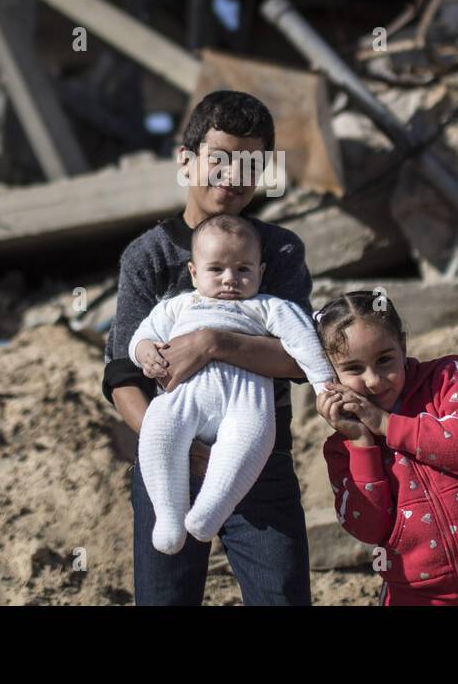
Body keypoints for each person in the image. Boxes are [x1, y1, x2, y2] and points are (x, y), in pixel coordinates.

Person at [103, 90, 313, 605]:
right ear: (186, 161)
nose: (231, 175)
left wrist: (213, 342)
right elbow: (120, 374)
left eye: (249, 163)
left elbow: (298, 359)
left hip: (260, 464)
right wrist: (173, 443)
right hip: (169, 465)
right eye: (218, 159)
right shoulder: (148, 256)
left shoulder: (277, 251)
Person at [130, 215, 334, 555]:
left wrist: (323, 384)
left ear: (260, 271)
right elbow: (142, 335)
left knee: (253, 437)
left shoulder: (267, 306)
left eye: (243, 269)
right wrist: (145, 351)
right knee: (158, 430)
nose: (230, 280)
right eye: (216, 270)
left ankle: (209, 513)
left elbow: (304, 342)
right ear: (194, 273)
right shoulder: (180, 305)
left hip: (245, 400)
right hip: (182, 397)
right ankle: (168, 515)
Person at [315, 291, 458, 606]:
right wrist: (362, 443)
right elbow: (368, 527)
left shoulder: (445, 380)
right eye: (354, 369)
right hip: (415, 593)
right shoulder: (343, 447)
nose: (373, 381)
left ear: (402, 345)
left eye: (384, 360)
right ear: (331, 375)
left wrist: (387, 425)